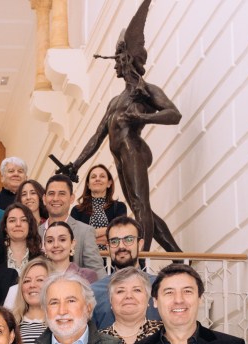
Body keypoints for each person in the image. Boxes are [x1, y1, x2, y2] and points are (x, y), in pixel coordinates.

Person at [59, 1, 183, 252]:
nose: (115, 65)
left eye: (118, 60)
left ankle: (142, 256)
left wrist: (142, 118)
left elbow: (174, 114)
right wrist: (76, 165)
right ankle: (177, 255)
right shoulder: (116, 101)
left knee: (140, 206)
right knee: (142, 208)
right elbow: (97, 136)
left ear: (128, 60)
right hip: (118, 153)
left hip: (132, 149)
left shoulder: (146, 91)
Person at [91, 216, 158, 329]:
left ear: (140, 244)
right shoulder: (94, 292)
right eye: (114, 241)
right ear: (108, 248)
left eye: (128, 240)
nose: (121, 246)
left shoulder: (159, 286)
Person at [41, 174, 106, 276]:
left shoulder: (85, 232)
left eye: (62, 194)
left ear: (71, 198)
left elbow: (98, 273)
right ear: (44, 199)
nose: (56, 198)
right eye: (51, 193)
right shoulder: (35, 232)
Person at [72, 163, 128, 232]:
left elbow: (119, 232)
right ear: (88, 184)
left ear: (109, 183)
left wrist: (89, 234)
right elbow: (74, 237)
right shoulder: (77, 211)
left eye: (102, 176)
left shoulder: (119, 207)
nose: (97, 179)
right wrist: (108, 232)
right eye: (93, 177)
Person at [8, 257, 50, 344]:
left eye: (40, 280)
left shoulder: (61, 321)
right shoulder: (10, 323)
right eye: (27, 281)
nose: (32, 285)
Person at [2, 203, 42, 272]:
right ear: (5, 227)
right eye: (12, 220)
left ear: (30, 226)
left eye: (23, 220)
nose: (18, 224)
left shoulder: (41, 258)